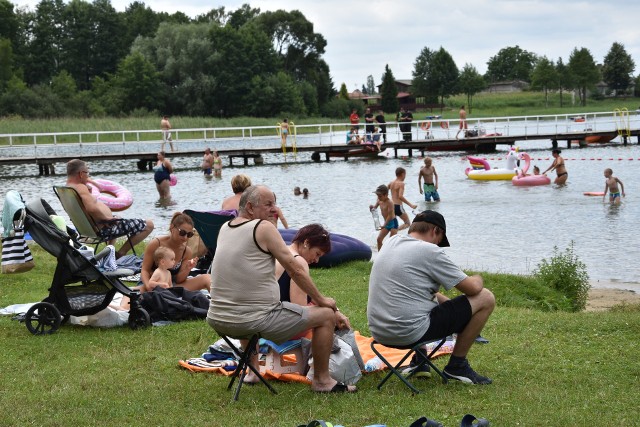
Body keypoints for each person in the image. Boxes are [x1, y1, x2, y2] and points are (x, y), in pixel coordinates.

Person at [206, 185, 355, 393]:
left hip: (219, 319)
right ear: (250, 207)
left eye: (274, 204)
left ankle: (252, 370)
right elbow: (295, 269)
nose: (275, 209)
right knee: (326, 315)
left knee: (245, 303)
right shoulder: (263, 228)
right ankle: (322, 381)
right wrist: (322, 300)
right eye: (268, 204)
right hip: (253, 320)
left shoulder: (226, 228)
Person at [367, 210, 495, 385]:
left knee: (421, 296)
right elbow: (473, 289)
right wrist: (478, 277)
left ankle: (420, 361)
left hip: (380, 332)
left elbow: (423, 293)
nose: (438, 245)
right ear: (435, 231)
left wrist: (457, 311)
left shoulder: (391, 242)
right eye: (440, 240)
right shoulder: (429, 251)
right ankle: (457, 367)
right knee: (486, 297)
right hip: (408, 334)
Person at [65, 159, 154, 259]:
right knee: (149, 224)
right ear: (81, 174)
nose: (88, 176)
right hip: (102, 230)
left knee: (117, 217)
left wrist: (89, 191)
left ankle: (109, 253)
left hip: (87, 230)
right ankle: (120, 253)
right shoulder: (80, 187)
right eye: (87, 173)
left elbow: (85, 209)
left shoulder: (67, 188)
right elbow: (91, 209)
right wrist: (107, 219)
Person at [275, 224, 332, 339]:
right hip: (278, 327)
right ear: (306, 242)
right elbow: (300, 309)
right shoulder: (299, 261)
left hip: (262, 318)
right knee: (328, 316)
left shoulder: (281, 252)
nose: (316, 260)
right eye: (317, 254)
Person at [140, 212, 210, 293]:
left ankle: (220, 303)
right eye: (182, 233)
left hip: (171, 286)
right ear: (172, 227)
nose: (185, 237)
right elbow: (145, 270)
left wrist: (187, 269)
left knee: (207, 278)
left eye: (189, 234)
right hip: (152, 285)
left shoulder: (186, 251)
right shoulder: (156, 244)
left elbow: (179, 280)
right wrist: (148, 286)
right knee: (132, 294)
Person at [369, 184, 397, 250]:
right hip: (386, 223)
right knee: (379, 239)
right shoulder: (379, 201)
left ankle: (391, 256)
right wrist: (371, 208)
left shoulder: (390, 203)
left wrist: (384, 225)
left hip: (393, 223)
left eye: (380, 196)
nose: (378, 197)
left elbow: (390, 216)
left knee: (391, 242)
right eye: (377, 196)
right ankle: (379, 256)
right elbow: (374, 209)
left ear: (386, 195)